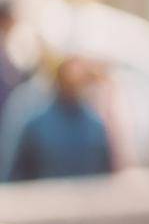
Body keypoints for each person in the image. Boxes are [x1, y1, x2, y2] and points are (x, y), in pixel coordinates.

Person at [7, 53, 114, 182]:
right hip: (44, 198)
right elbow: (17, 174)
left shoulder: (97, 128)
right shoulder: (36, 126)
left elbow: (105, 176)